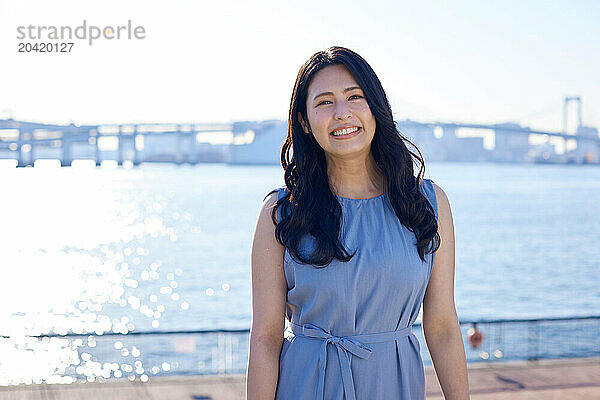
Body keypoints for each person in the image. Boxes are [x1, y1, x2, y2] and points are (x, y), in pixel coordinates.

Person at [246, 46, 469, 400]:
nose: (342, 113)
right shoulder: (282, 212)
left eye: (355, 97)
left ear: (376, 108)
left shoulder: (428, 203)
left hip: (395, 385)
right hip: (306, 385)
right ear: (304, 121)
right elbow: (265, 338)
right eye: (324, 102)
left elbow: (441, 326)